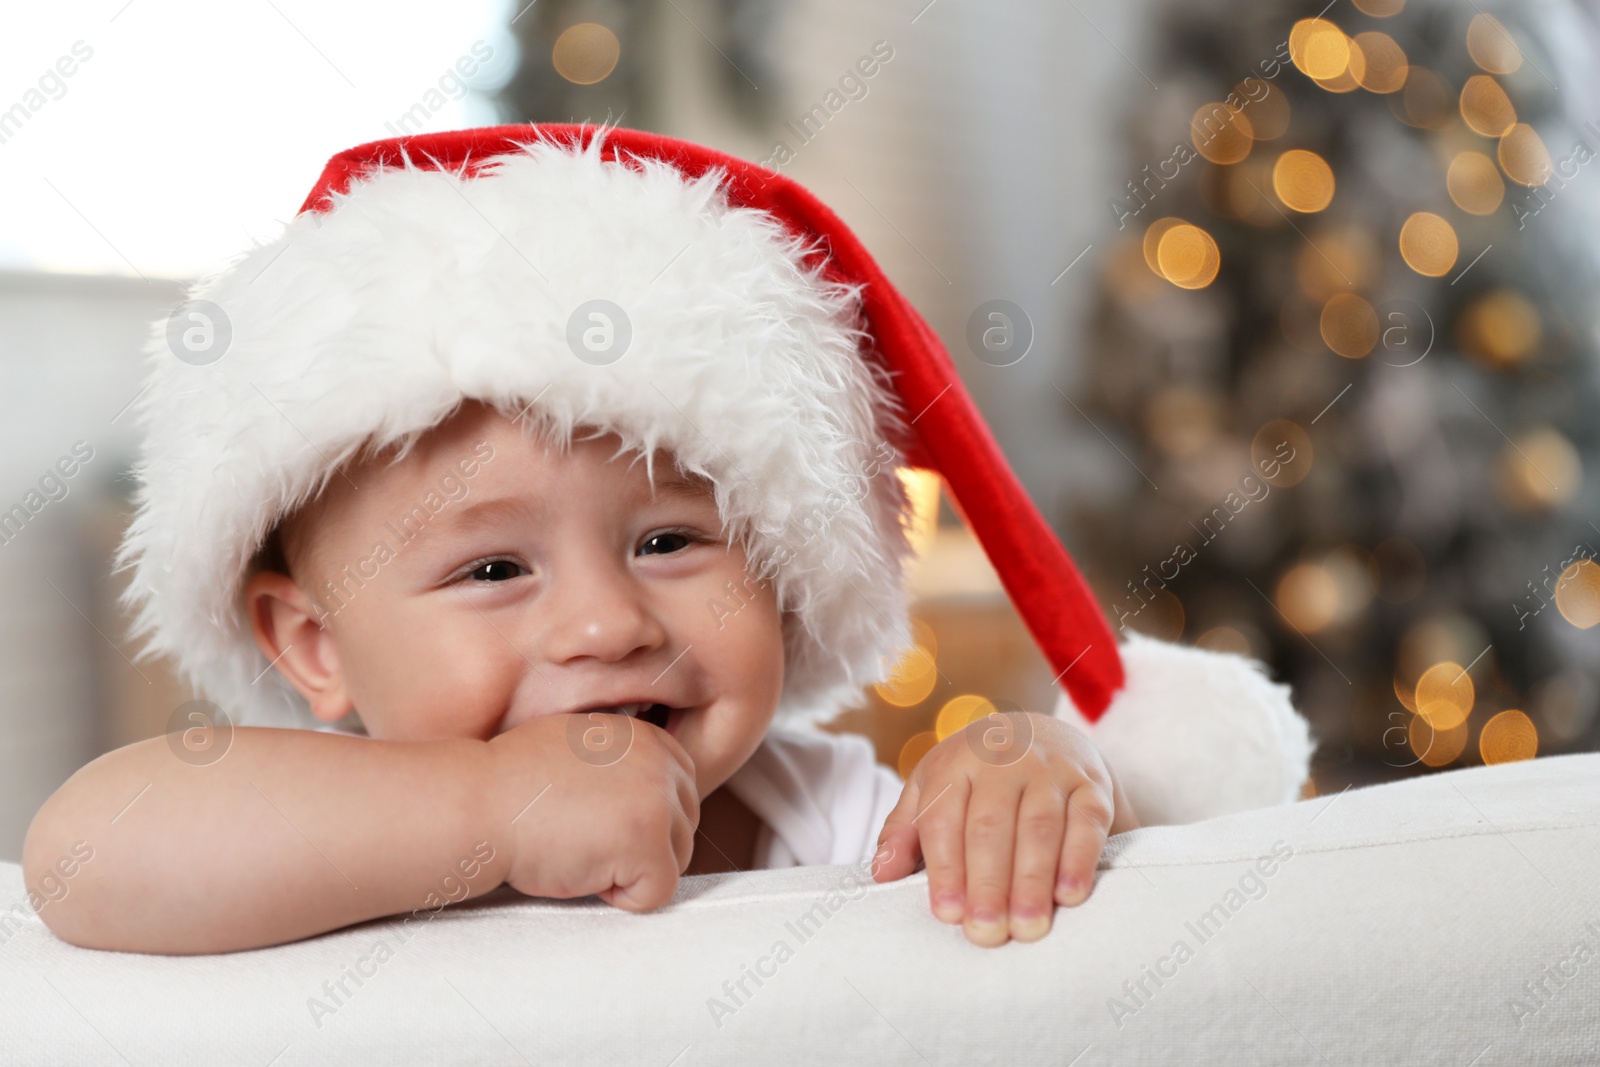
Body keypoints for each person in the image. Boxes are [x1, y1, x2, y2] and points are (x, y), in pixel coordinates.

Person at [22, 124, 1310, 956]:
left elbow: (1067, 878)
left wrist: (1030, 767)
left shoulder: (841, 824)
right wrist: (487, 805)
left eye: (671, 542)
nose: (607, 625)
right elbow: (81, 856)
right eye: (492, 569)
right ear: (316, 643)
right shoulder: (298, 824)